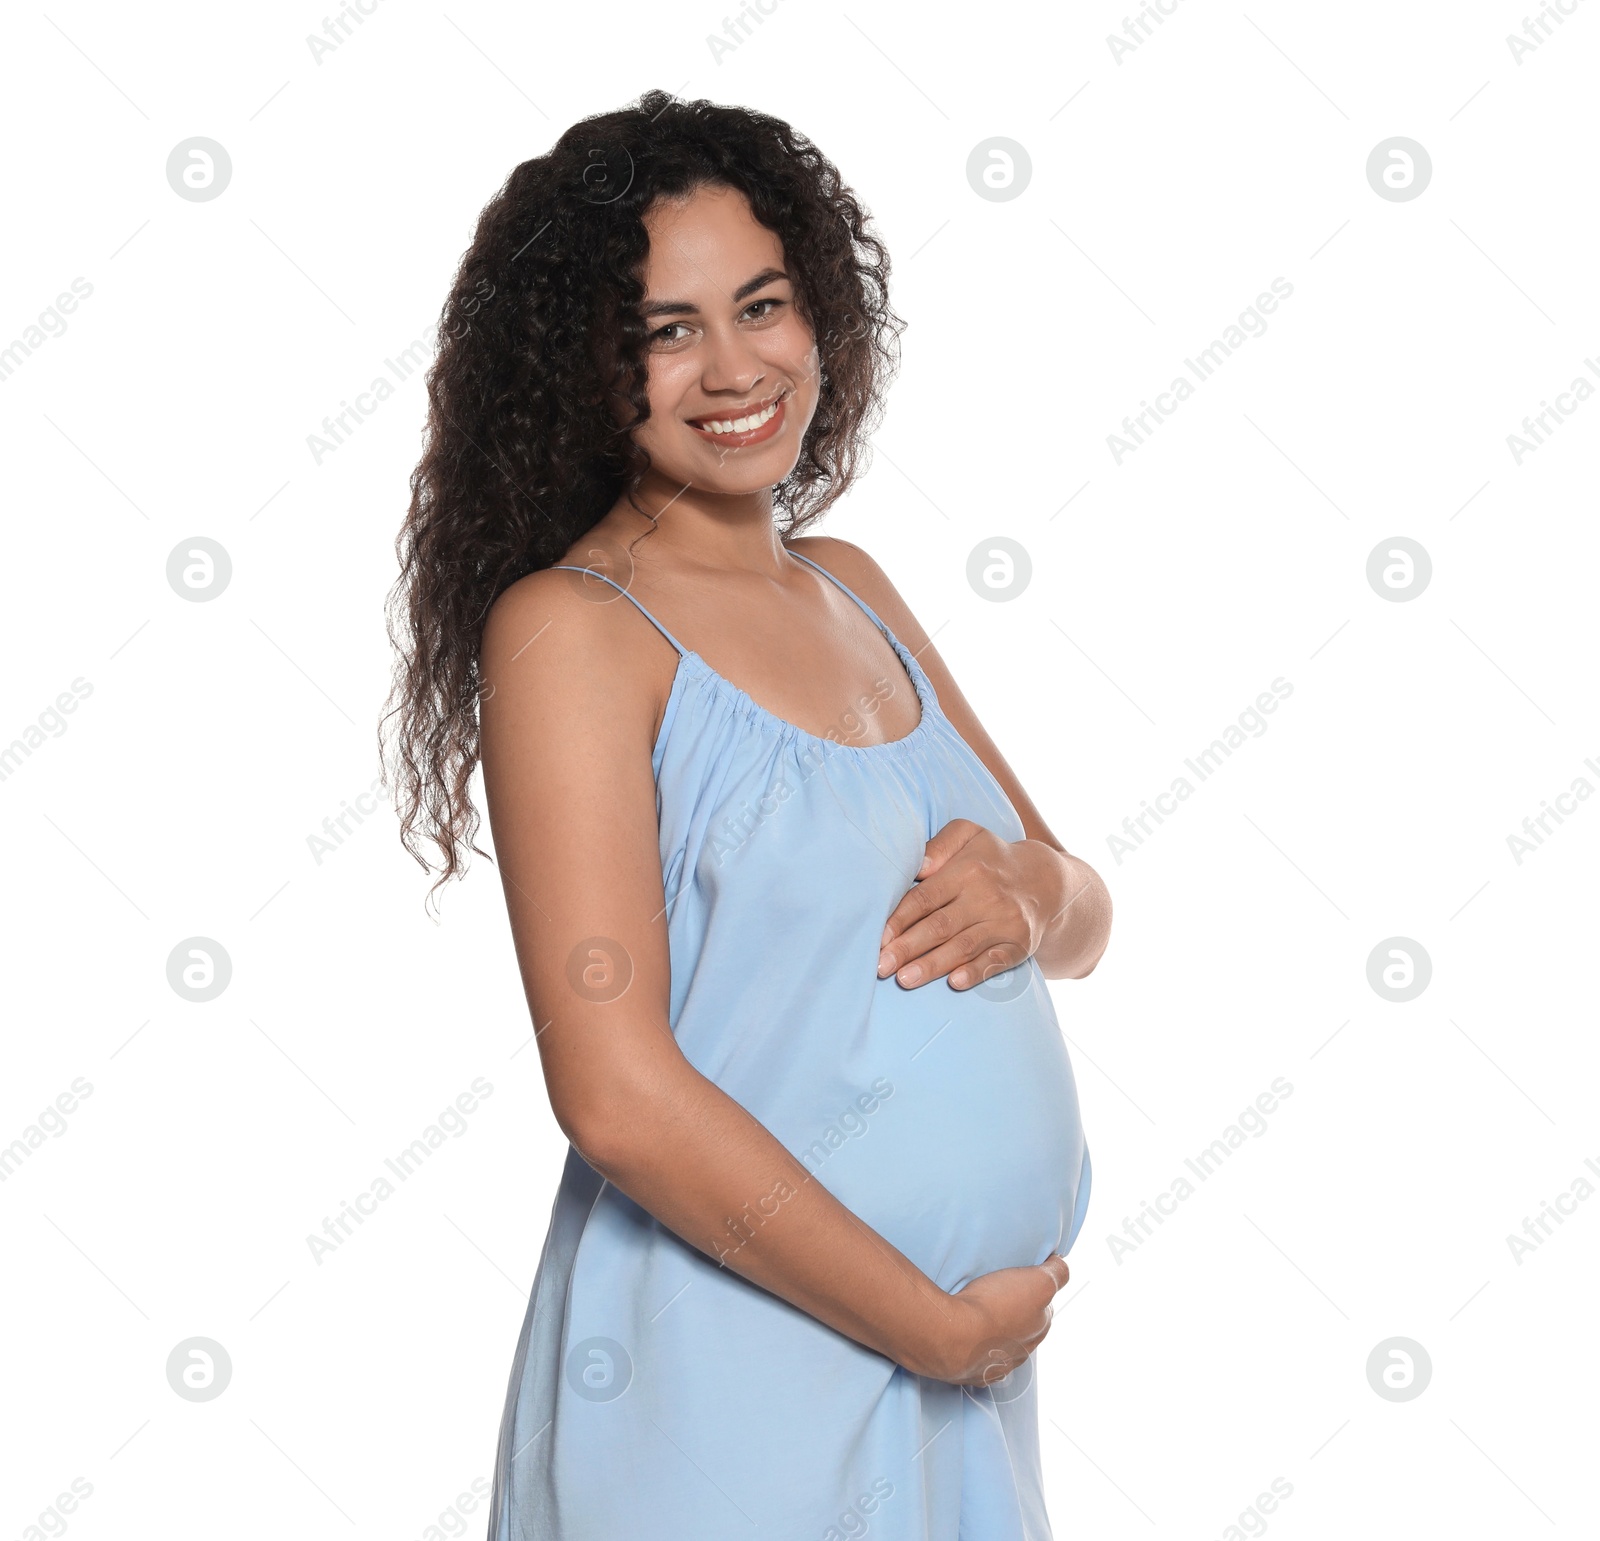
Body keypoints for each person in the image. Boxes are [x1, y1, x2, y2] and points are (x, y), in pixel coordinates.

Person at [381, 89, 1112, 1541]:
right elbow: (615, 1093)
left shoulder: (853, 586)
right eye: (666, 329)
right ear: (585, 370)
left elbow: (1082, 912)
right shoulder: (573, 631)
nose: (734, 366)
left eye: (763, 304)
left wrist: (1031, 894)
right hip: (738, 1388)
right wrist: (931, 1324)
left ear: (819, 312)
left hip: (958, 1393)